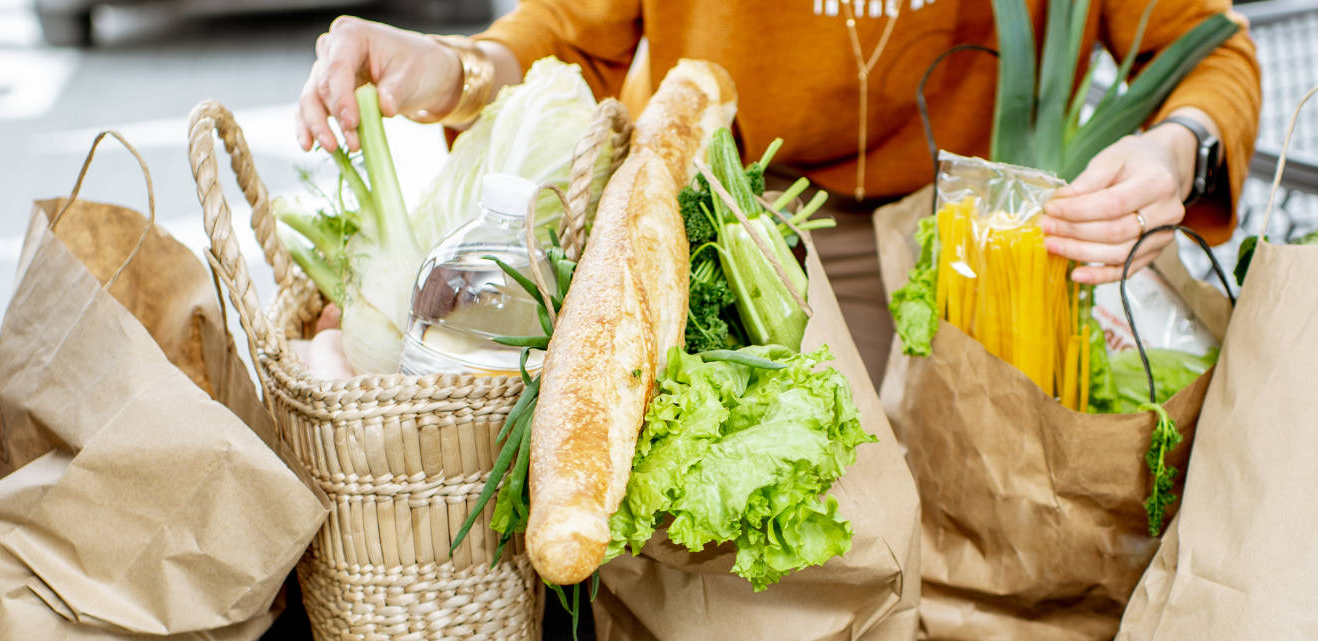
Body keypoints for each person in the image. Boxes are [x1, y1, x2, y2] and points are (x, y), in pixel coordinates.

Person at [296, 0, 1259, 378]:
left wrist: (1179, 146)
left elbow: (1211, 45)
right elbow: (567, 31)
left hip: (965, 239)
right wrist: (453, 69)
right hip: (734, 217)